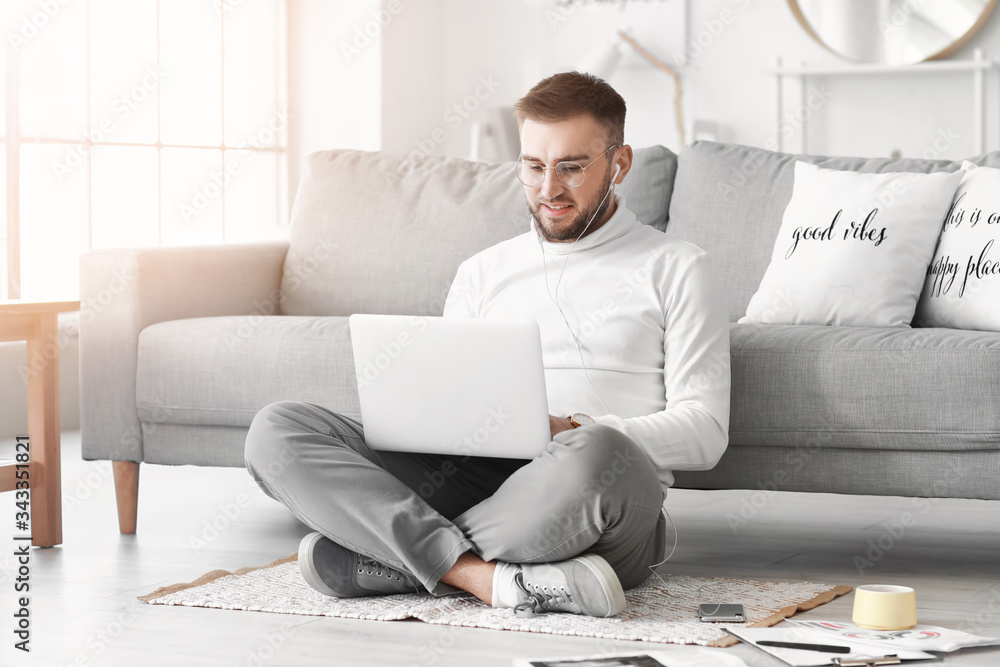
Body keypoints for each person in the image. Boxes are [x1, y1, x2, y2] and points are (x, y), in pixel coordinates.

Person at [243, 71, 730, 619]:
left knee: (603, 451)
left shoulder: (680, 267)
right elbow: (446, 405)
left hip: (590, 484)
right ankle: (487, 579)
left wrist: (571, 429)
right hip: (471, 477)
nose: (549, 189)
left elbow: (705, 434)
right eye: (533, 166)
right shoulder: (483, 271)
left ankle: (389, 557)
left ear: (619, 165)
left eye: (571, 167)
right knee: (277, 429)